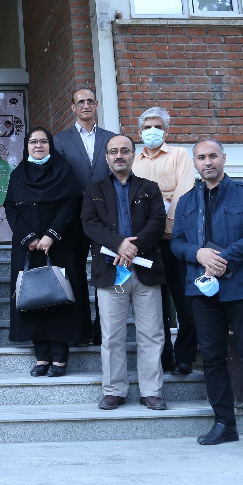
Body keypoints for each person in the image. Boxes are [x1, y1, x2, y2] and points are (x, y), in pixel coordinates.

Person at [172, 138, 243, 451]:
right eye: (201, 157)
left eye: (212, 156)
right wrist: (198, 253)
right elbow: (176, 242)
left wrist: (223, 258)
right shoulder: (186, 201)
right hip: (202, 289)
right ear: (195, 163)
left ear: (223, 158)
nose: (208, 162)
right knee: (213, 358)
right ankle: (225, 424)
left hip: (242, 289)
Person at [81, 134, 168, 411]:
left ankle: (151, 391)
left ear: (133, 155)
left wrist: (132, 248)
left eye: (124, 151)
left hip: (145, 272)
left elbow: (157, 222)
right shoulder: (93, 190)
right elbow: (89, 224)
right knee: (112, 336)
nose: (119, 155)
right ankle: (114, 391)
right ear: (106, 157)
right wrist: (119, 244)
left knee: (151, 334)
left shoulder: (150, 188)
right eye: (113, 151)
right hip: (112, 273)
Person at [3, 127, 86, 377]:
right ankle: (41, 357)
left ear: (50, 145)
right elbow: (10, 207)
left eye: (43, 141)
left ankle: (59, 358)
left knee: (59, 300)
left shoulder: (63, 171)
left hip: (60, 246)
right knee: (35, 301)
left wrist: (52, 234)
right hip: (28, 248)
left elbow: (70, 203)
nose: (38, 146)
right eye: (33, 142)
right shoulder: (18, 175)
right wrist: (28, 237)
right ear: (26, 146)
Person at [134, 106, 197, 375]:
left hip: (175, 239)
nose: (152, 131)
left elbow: (184, 192)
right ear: (139, 131)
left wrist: (168, 226)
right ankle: (164, 358)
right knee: (154, 306)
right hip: (145, 243)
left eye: (157, 127)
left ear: (166, 130)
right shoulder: (134, 161)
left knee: (185, 302)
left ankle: (184, 358)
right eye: (147, 127)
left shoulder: (179, 155)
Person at [54, 87, 115, 345]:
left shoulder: (111, 138)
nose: (86, 105)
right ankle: (79, 330)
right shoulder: (60, 141)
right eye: (80, 102)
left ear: (96, 105)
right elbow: (59, 177)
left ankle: (102, 329)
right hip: (74, 216)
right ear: (73, 108)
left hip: (106, 216)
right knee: (75, 271)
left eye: (90, 101)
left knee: (105, 272)